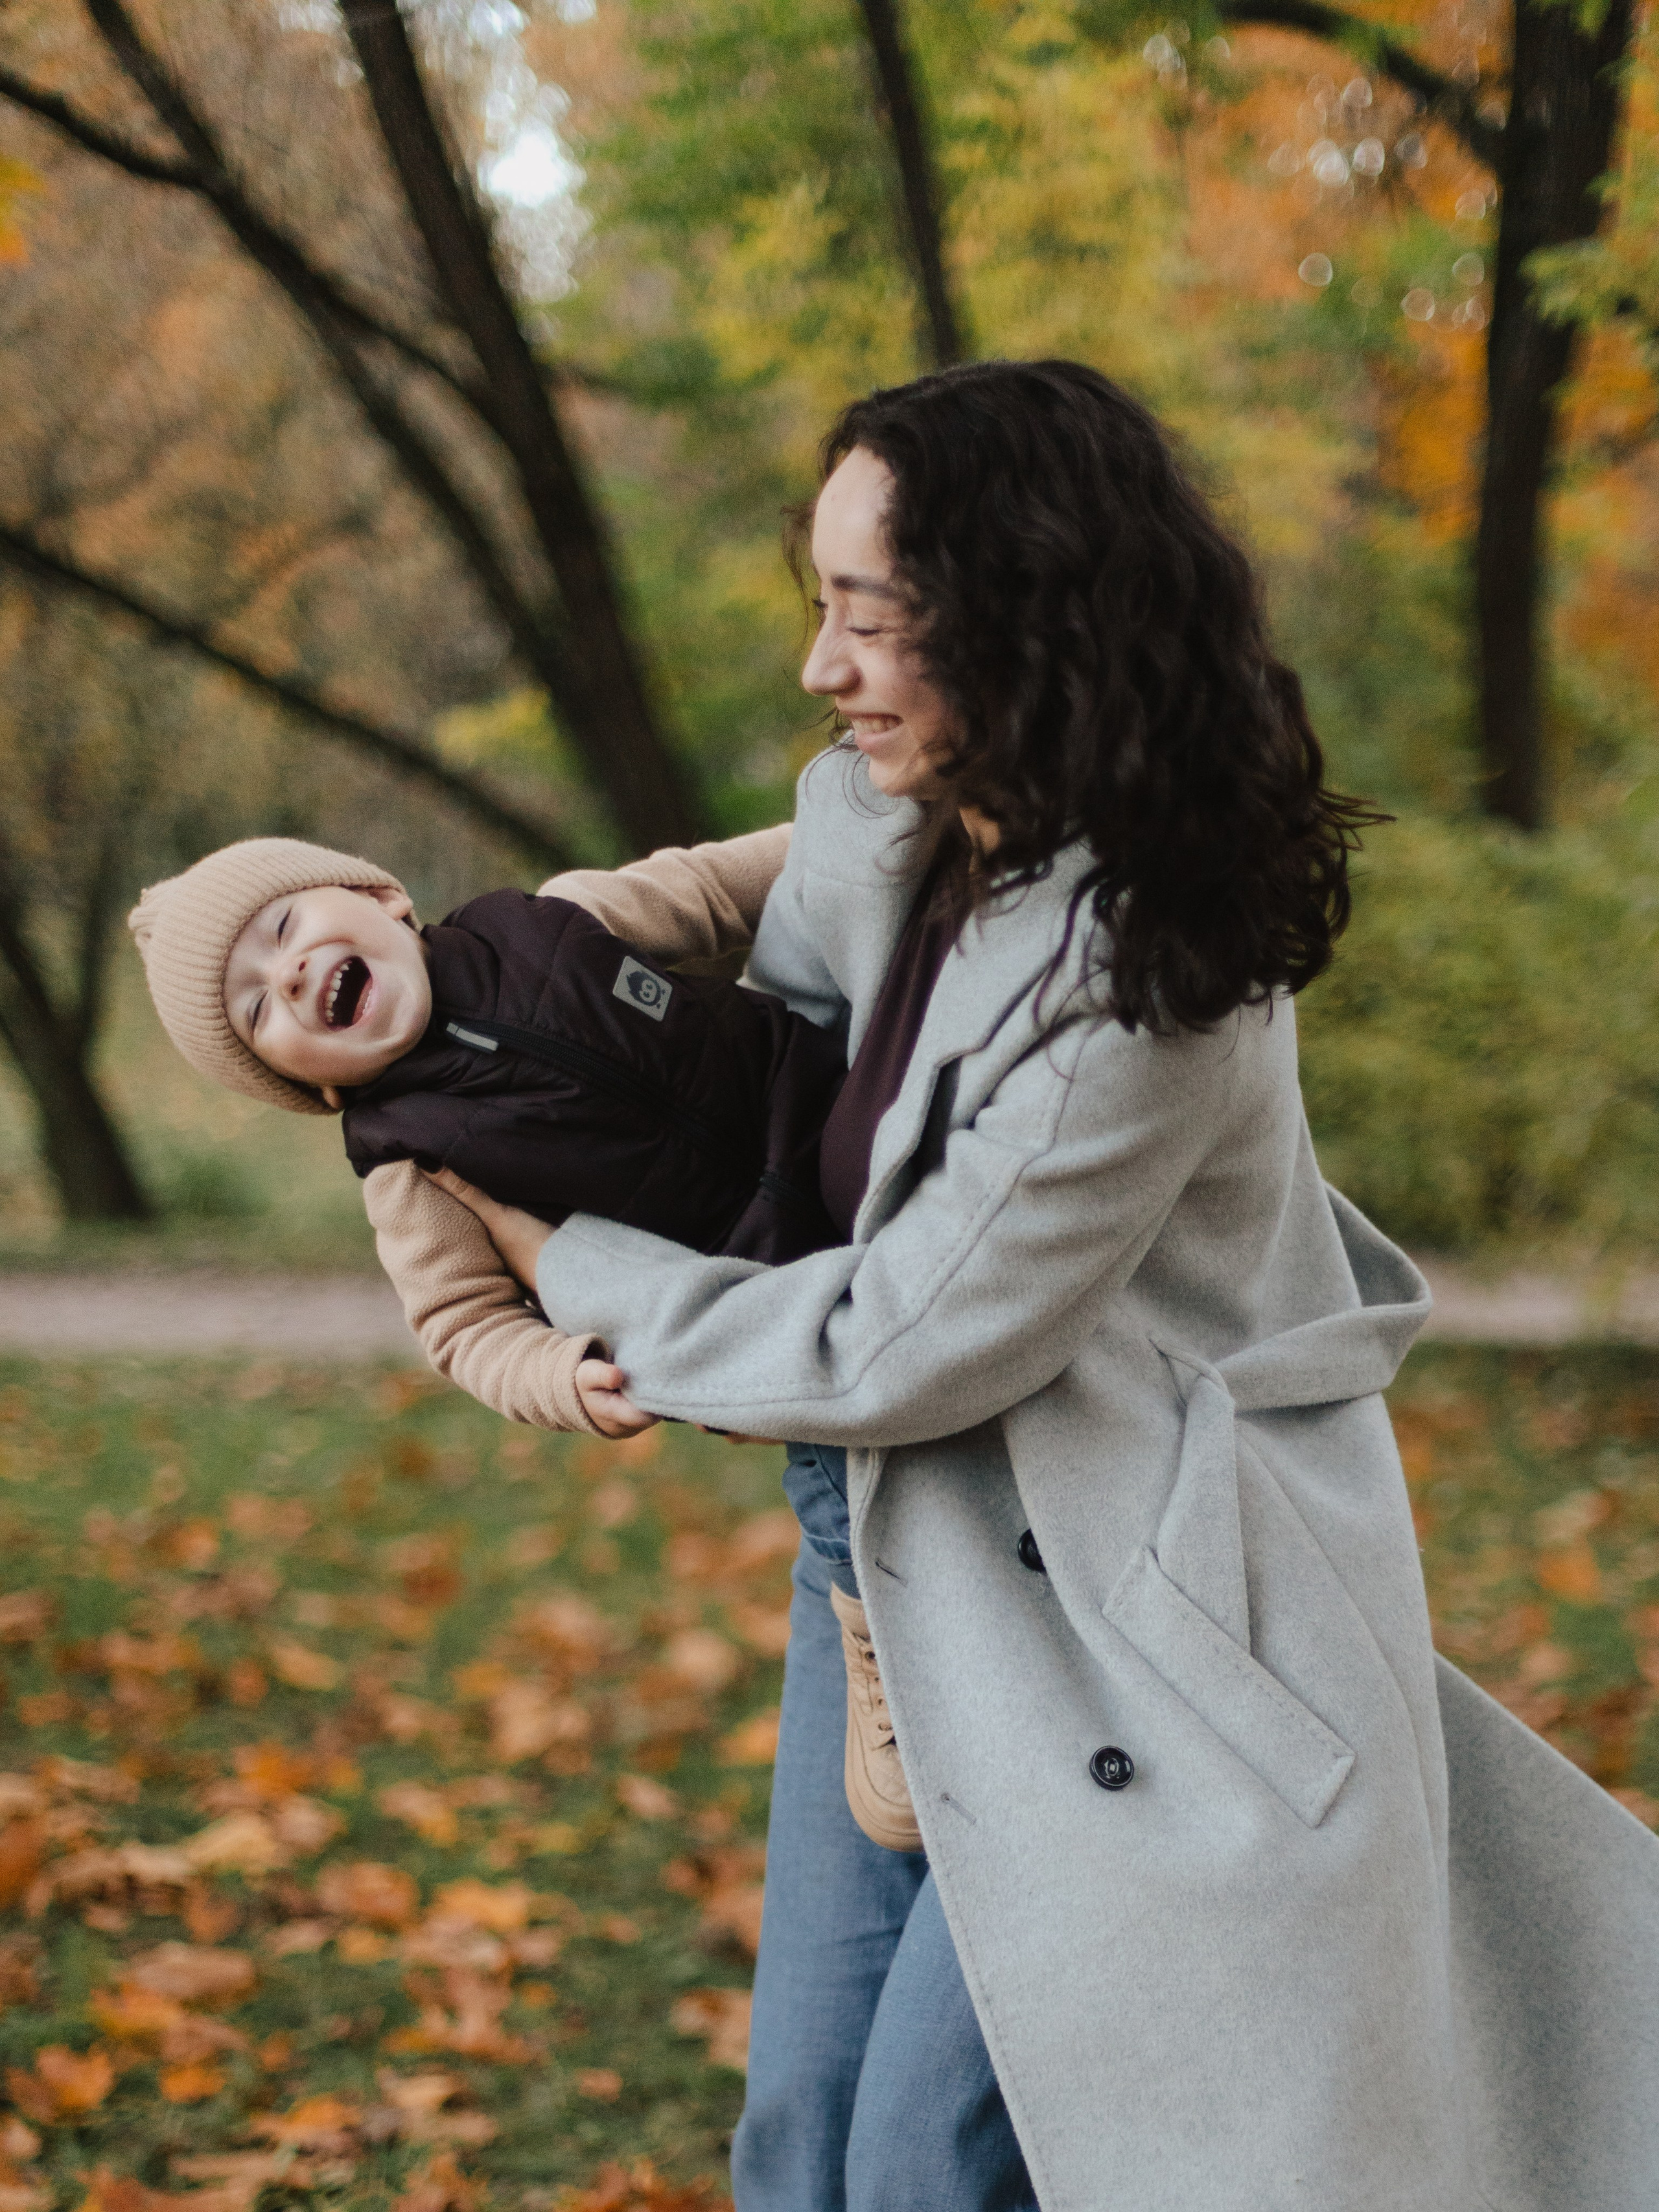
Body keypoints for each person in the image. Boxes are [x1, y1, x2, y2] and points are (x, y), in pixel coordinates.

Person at [416, 359, 1659, 2212]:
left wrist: (560, 1269)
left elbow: (896, 1333)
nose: (825, 666)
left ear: (1024, 617)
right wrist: (508, 995)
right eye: (817, 603)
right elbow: (764, 1001)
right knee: (805, 2143)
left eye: (869, 615)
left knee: (935, 2163)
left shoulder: (1161, 972)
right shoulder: (900, 820)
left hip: (1134, 1631)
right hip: (902, 1582)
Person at [125, 830, 915, 1846]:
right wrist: (556, 1371)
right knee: (835, 1469)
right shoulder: (408, 1167)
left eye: (284, 927)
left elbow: (722, 887)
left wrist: (863, 833)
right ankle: (879, 1639)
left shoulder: (557, 919)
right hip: (754, 1286)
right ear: (303, 1086)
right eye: (256, 1009)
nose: (288, 973)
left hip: (842, 1110)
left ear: (378, 892)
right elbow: (463, 1327)